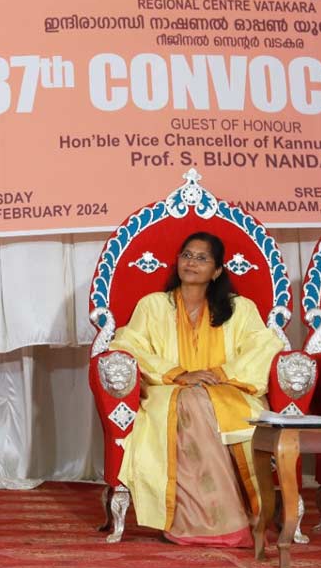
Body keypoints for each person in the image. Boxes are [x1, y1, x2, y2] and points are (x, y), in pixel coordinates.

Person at [111, 232, 282, 546]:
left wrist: (220, 373)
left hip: (229, 390)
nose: (191, 262)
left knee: (200, 400)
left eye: (202, 258)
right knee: (191, 401)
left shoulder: (239, 309)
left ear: (217, 270)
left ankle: (212, 520)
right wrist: (177, 374)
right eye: (186, 255)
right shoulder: (152, 306)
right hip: (168, 390)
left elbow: (266, 345)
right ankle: (226, 522)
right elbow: (127, 345)